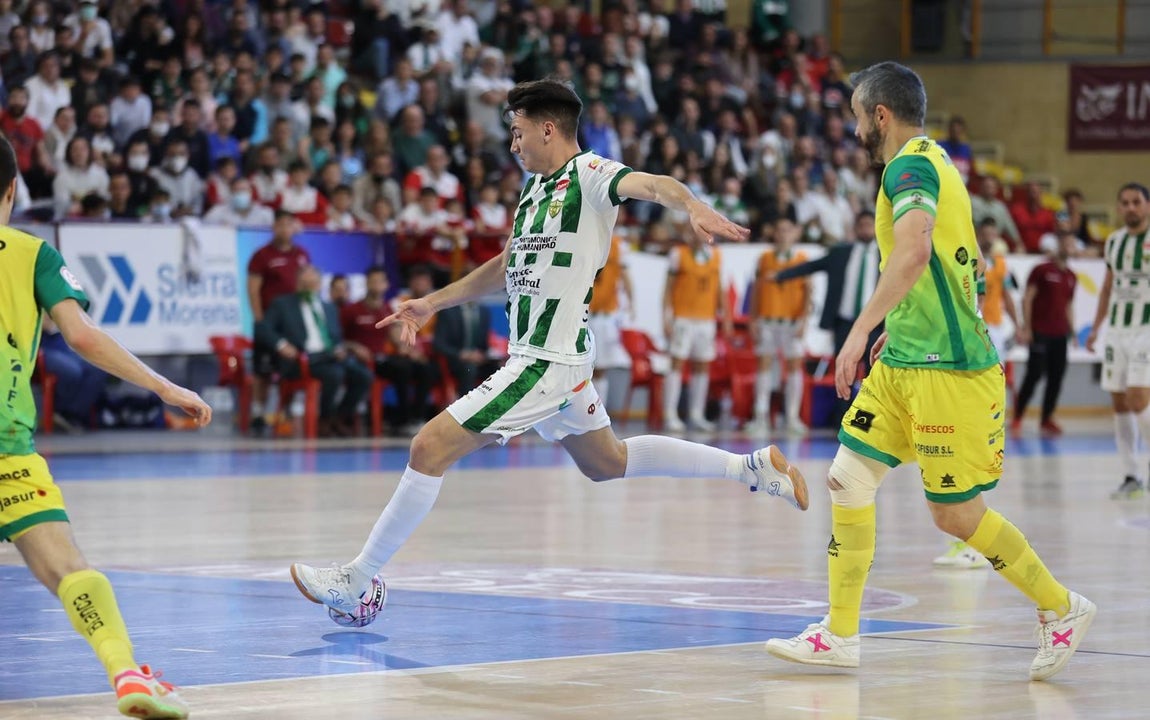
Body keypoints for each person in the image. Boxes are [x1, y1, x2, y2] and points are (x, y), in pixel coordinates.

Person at [290, 78, 809, 617]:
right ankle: (751, 468)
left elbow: (656, 184)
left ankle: (357, 579)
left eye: (517, 133)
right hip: (558, 362)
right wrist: (433, 303)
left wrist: (692, 204)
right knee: (607, 461)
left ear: (547, 128)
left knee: (427, 448)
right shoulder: (533, 190)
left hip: (545, 363)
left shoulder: (590, 176)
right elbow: (506, 267)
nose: (512, 145)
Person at [764, 62, 1094, 682]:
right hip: (906, 360)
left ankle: (1061, 608)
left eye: (859, 116)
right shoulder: (930, 161)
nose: (855, 126)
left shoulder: (908, 168)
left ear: (879, 116)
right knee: (848, 478)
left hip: (948, 368)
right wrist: (899, 321)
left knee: (954, 514)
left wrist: (858, 331)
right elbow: (949, 265)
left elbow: (915, 250)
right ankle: (839, 634)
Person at [0, 134, 209, 718]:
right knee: (69, 571)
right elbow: (84, 336)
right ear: (13, 189)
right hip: (7, 452)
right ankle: (125, 672)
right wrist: (166, 386)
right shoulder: (30, 253)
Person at [774, 211, 883, 426]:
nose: (865, 229)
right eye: (861, 224)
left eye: (869, 224)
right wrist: (780, 276)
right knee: (844, 371)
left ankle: (869, 424)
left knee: (874, 375)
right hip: (845, 323)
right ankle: (843, 420)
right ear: (855, 227)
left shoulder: (886, 255)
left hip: (875, 324)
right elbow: (812, 266)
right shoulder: (841, 252)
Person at [257, 264, 373, 437]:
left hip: (330, 356)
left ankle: (339, 416)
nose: (308, 287)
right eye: (304, 283)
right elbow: (263, 329)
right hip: (301, 359)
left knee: (363, 375)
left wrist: (341, 348)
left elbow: (336, 339)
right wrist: (281, 345)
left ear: (319, 285)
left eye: (312, 283)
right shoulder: (282, 304)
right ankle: (324, 420)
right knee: (335, 374)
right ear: (297, 283)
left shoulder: (329, 308)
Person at [1087, 182, 1150, 499]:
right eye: (1124, 202)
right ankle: (1131, 475)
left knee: (1139, 399)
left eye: (1136, 202)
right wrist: (1096, 328)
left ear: (1147, 205)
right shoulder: (1114, 242)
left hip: (1146, 329)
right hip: (1117, 332)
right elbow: (1108, 288)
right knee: (1120, 403)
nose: (1130, 208)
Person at [341, 266, 436, 435]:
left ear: (386, 285)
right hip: (365, 360)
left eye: (380, 281)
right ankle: (401, 420)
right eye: (373, 281)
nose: (377, 285)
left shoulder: (387, 309)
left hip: (384, 358)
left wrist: (408, 350)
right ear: (367, 283)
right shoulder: (351, 310)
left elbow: (395, 334)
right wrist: (353, 347)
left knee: (424, 367)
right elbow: (340, 338)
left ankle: (418, 418)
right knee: (403, 369)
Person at [247, 210, 310, 430]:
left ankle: (286, 413)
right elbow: (253, 290)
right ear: (274, 227)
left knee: (292, 367)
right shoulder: (262, 255)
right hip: (269, 322)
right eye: (280, 225)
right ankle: (257, 413)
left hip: (292, 323)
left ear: (294, 227)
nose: (284, 229)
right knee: (263, 371)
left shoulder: (301, 255)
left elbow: (306, 285)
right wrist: (259, 321)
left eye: (288, 225)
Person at [662, 234, 731, 432]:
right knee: (676, 363)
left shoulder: (717, 256)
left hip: (706, 318)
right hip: (682, 317)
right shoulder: (678, 254)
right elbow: (668, 289)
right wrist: (666, 317)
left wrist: (726, 317)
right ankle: (670, 414)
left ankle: (696, 414)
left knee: (702, 365)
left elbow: (720, 289)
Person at [748, 217, 810, 434]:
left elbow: (809, 293)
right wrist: (752, 319)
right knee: (763, 366)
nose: (783, 234)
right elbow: (756, 290)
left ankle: (792, 417)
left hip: (792, 322)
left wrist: (804, 321)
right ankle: (760, 416)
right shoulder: (764, 259)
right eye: (779, 230)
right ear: (774, 234)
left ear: (795, 234)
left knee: (794, 367)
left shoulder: (802, 259)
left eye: (787, 230)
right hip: (767, 320)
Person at [1012, 231, 1078, 436]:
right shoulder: (1041, 269)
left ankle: (1046, 419)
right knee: (1033, 375)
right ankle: (1017, 417)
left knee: (1056, 378)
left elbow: (1068, 306)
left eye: (1071, 244)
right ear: (1058, 245)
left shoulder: (1071, 276)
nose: (1069, 247)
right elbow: (1027, 298)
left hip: (1060, 334)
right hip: (1040, 332)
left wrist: (1073, 332)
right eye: (1065, 243)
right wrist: (1027, 328)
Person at [587, 234, 633, 410]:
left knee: (601, 367)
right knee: (578, 369)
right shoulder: (583, 237)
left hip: (605, 314)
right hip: (582, 312)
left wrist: (631, 300)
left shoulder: (618, 244)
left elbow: (625, 275)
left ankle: (598, 411)